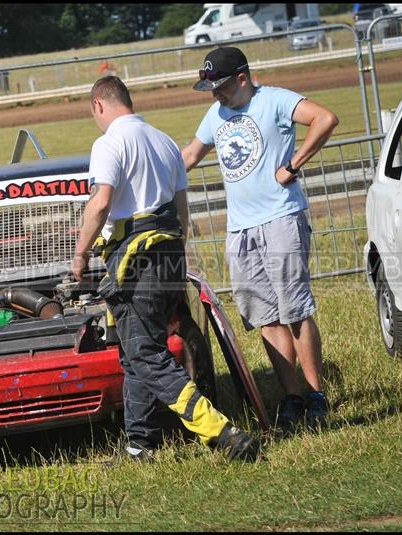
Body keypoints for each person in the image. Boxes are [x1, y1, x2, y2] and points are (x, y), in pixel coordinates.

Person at [72, 76, 260, 462]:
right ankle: (140, 445)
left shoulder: (109, 143)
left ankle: (221, 432)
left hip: (137, 262)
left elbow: (100, 202)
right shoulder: (164, 142)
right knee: (136, 353)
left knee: (146, 353)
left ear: (99, 106)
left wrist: (79, 253)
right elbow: (182, 210)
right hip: (171, 255)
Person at [181, 47, 339, 433]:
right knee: (265, 317)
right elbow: (188, 156)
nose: (215, 94)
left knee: (295, 311)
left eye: (219, 86)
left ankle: (316, 395)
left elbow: (325, 118)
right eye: (209, 87)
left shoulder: (275, 100)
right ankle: (292, 397)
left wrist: (293, 164)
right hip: (240, 229)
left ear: (241, 78)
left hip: (281, 219)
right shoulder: (215, 114)